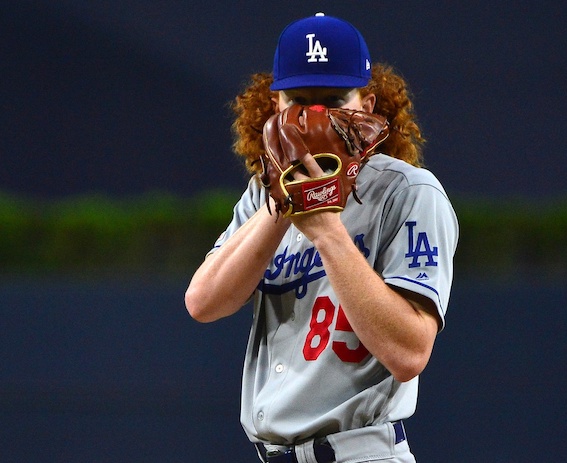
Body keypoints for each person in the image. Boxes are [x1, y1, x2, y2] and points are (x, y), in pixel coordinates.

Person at [185, 12, 458, 463]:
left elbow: (410, 352)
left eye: (334, 99)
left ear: (368, 106)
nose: (315, 118)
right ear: (275, 105)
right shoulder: (264, 195)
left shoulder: (409, 192)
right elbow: (203, 302)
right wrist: (282, 204)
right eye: (299, 100)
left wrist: (326, 228)